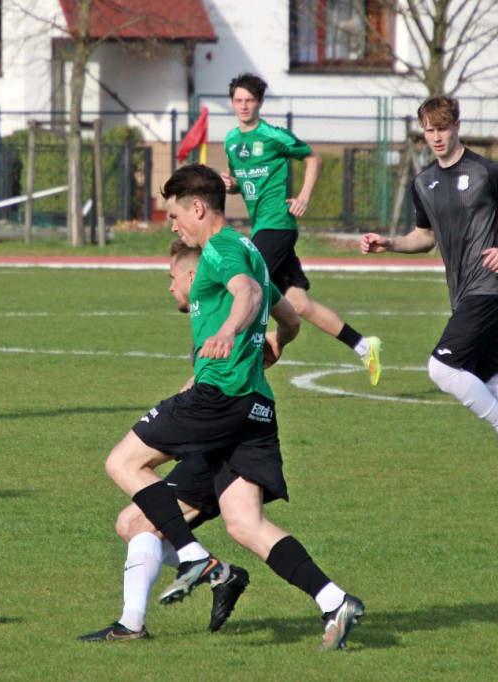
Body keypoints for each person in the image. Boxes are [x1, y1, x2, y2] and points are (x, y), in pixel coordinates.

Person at [104, 164, 364, 651]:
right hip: (254, 408)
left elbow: (244, 294)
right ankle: (335, 601)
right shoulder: (251, 251)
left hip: (220, 397)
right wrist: (276, 341)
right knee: (245, 523)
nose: (174, 226)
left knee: (122, 462)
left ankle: (194, 558)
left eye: (176, 215)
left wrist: (230, 331)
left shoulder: (221, 250)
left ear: (198, 207)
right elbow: (288, 316)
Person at [361, 94, 498, 500]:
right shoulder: (423, 181)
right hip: (463, 294)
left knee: (440, 368)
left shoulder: (487, 171)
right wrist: (389, 243)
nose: (436, 137)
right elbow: (424, 238)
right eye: (429, 131)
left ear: (457, 125)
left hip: (488, 287)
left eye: (442, 128)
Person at [80, 241, 251, 642]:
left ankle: (136, 621)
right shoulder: (209, 319)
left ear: (194, 277)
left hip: (223, 450)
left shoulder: (229, 310)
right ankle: (217, 574)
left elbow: (269, 328)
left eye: (172, 278)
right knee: (130, 522)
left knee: (135, 503)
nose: (170, 287)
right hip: (208, 440)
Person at [221, 72, 382, 386]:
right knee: (300, 305)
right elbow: (243, 184)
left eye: (249, 100)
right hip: (264, 227)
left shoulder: (274, 136)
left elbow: (313, 158)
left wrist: (304, 197)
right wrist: (231, 186)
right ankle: (364, 345)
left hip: (277, 225)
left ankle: (237, 363)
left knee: (247, 288)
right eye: (238, 100)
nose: (243, 106)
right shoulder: (230, 141)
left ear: (259, 103)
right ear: (232, 102)